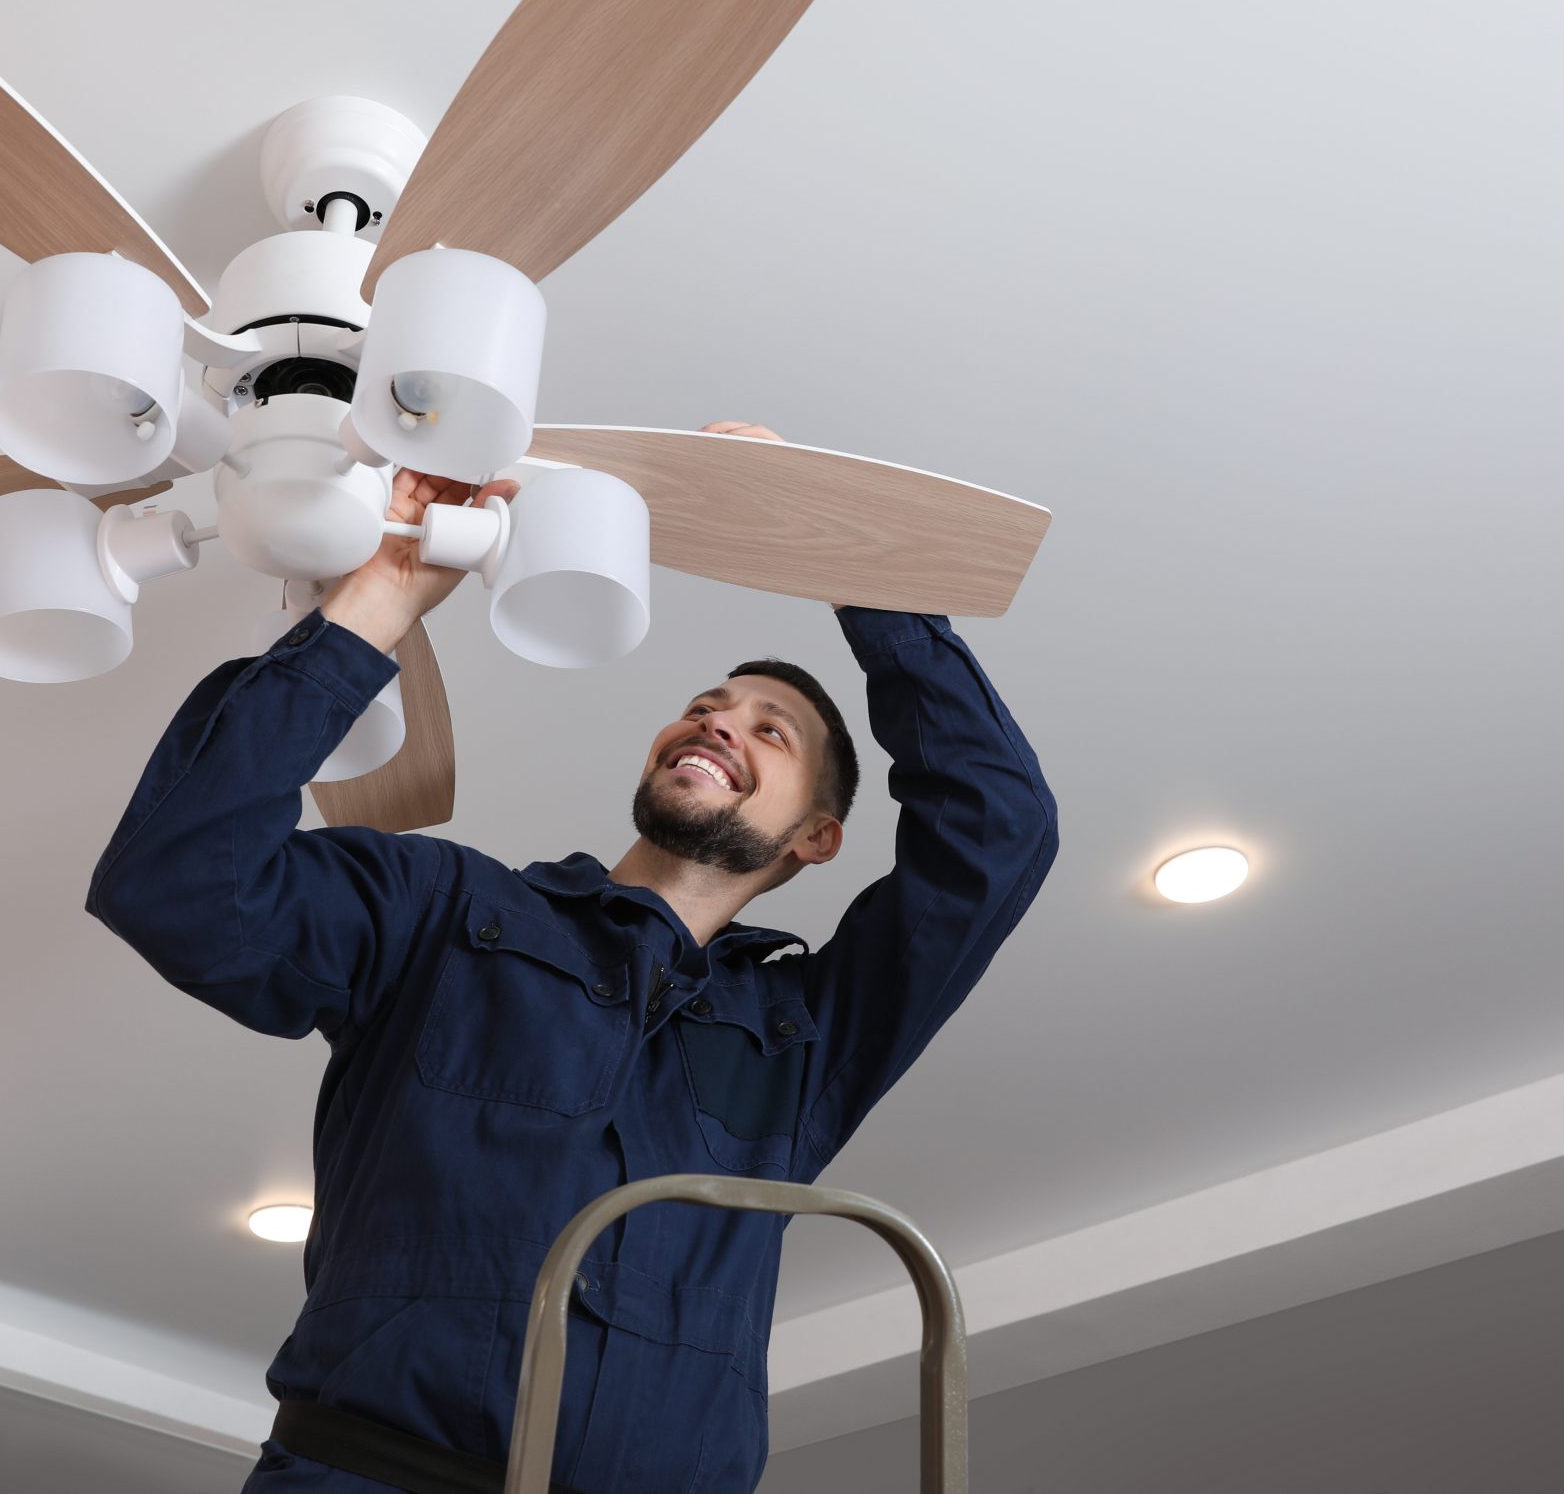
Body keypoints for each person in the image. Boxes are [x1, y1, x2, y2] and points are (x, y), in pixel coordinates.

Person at [86, 422, 1058, 1494]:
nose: (719, 722)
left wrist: (831, 552)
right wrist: (380, 597)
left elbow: (996, 831)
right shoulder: (442, 912)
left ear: (816, 837)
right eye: (704, 708)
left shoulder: (806, 1041)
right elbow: (177, 884)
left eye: (769, 730)